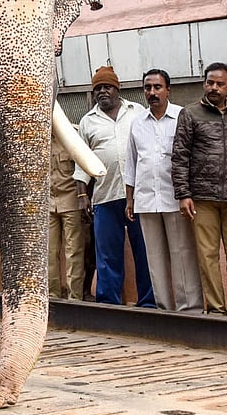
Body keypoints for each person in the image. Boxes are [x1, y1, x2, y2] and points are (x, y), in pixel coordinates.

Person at [172, 62, 227, 316]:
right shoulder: (190, 114)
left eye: (220, 84)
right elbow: (180, 156)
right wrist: (184, 193)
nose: (214, 87)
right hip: (202, 197)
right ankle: (215, 310)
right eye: (210, 82)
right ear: (204, 83)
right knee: (208, 256)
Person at [73, 66, 155, 307]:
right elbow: (82, 160)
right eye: (97, 88)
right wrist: (81, 194)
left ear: (117, 89)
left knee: (145, 251)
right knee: (107, 256)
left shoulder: (137, 112)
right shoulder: (88, 121)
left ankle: (149, 303)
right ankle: (109, 304)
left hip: (139, 196)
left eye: (106, 86)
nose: (102, 92)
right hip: (105, 196)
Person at [124, 69, 202, 312]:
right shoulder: (137, 124)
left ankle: (189, 310)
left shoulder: (182, 117)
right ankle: (164, 310)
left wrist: (189, 194)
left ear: (168, 90)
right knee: (154, 259)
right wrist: (129, 199)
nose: (152, 92)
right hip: (146, 200)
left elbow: (191, 159)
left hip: (175, 198)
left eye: (157, 87)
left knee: (183, 255)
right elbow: (131, 163)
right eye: (148, 88)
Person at [49, 129, 86, 300]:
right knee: (49, 252)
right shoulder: (38, 136)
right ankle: (52, 296)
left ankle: (75, 297)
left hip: (71, 200)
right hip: (47, 203)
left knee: (74, 252)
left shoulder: (72, 134)